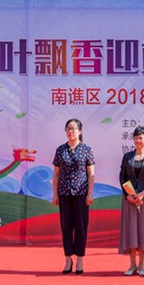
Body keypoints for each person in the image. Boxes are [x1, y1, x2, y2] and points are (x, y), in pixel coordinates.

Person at [52, 118, 95, 275]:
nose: (71, 131)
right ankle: (68, 258)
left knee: (81, 227)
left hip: (81, 194)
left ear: (80, 131)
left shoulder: (86, 149)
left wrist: (90, 193)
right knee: (66, 226)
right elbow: (56, 174)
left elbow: (91, 173)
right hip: (64, 193)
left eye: (74, 128)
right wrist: (55, 194)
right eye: (68, 128)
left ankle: (80, 259)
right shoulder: (60, 150)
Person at [118, 126, 144, 276]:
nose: (138, 140)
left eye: (141, 137)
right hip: (129, 199)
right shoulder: (127, 156)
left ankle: (141, 265)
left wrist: (141, 195)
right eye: (135, 137)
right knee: (131, 232)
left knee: (143, 232)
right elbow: (122, 176)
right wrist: (128, 195)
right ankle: (132, 265)